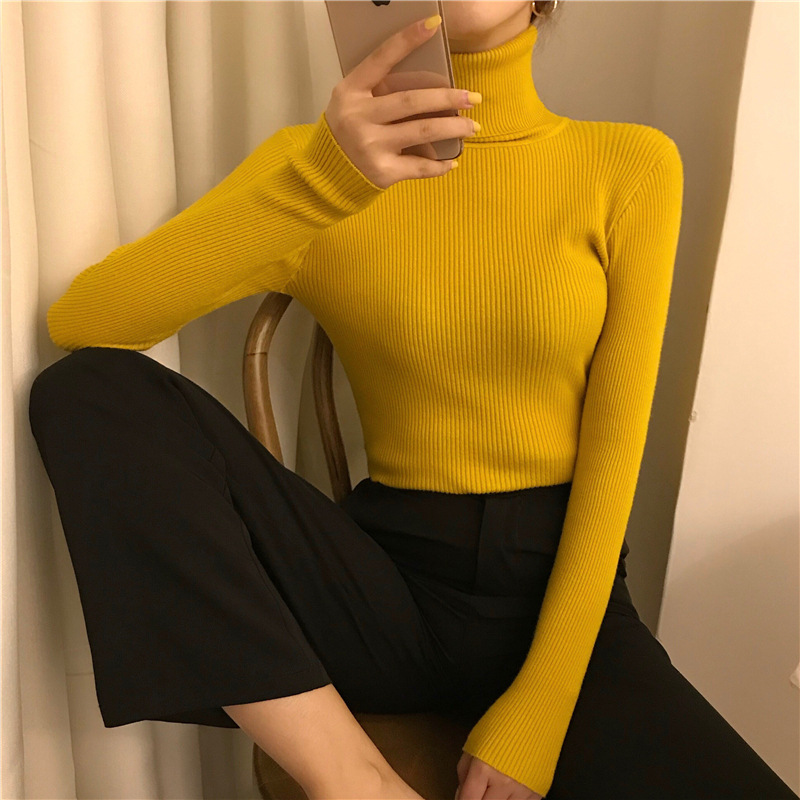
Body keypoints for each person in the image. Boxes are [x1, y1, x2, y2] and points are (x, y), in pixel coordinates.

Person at [27, 2, 798, 799]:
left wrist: (539, 710)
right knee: (88, 392)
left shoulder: (626, 164)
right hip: (385, 586)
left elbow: (616, 449)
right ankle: (353, 779)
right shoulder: (318, 165)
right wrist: (327, 180)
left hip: (565, 599)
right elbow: (85, 322)